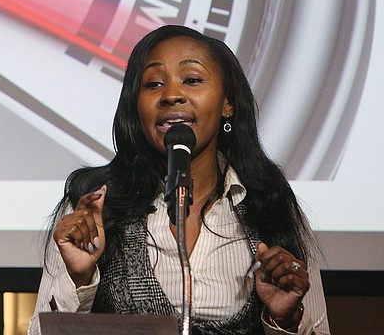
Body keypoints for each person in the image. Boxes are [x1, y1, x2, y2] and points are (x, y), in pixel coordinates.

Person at [29, 25, 329, 334]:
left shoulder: (272, 207)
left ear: (228, 103)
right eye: (153, 84)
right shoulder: (95, 206)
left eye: (193, 80)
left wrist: (285, 320)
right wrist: (79, 278)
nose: (171, 95)